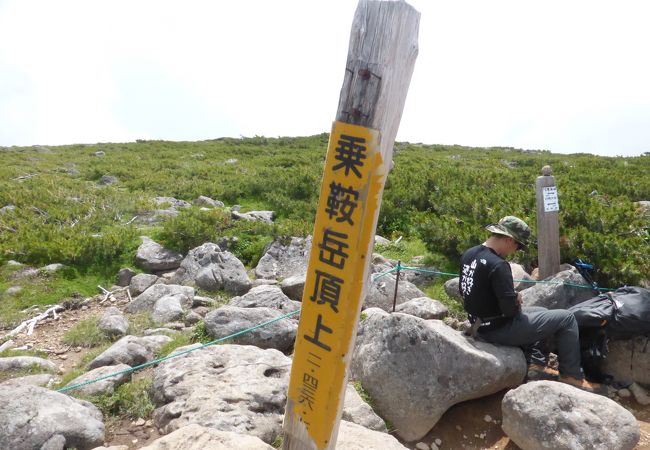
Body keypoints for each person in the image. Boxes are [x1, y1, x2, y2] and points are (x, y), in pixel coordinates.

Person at [459, 215, 603, 393]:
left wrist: (508, 299)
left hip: (478, 322)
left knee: (542, 310)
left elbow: (469, 291)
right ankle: (571, 376)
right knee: (566, 318)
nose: (516, 250)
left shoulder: (470, 253)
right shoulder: (498, 265)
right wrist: (516, 300)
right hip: (496, 330)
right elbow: (510, 311)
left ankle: (536, 363)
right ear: (508, 240)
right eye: (518, 245)